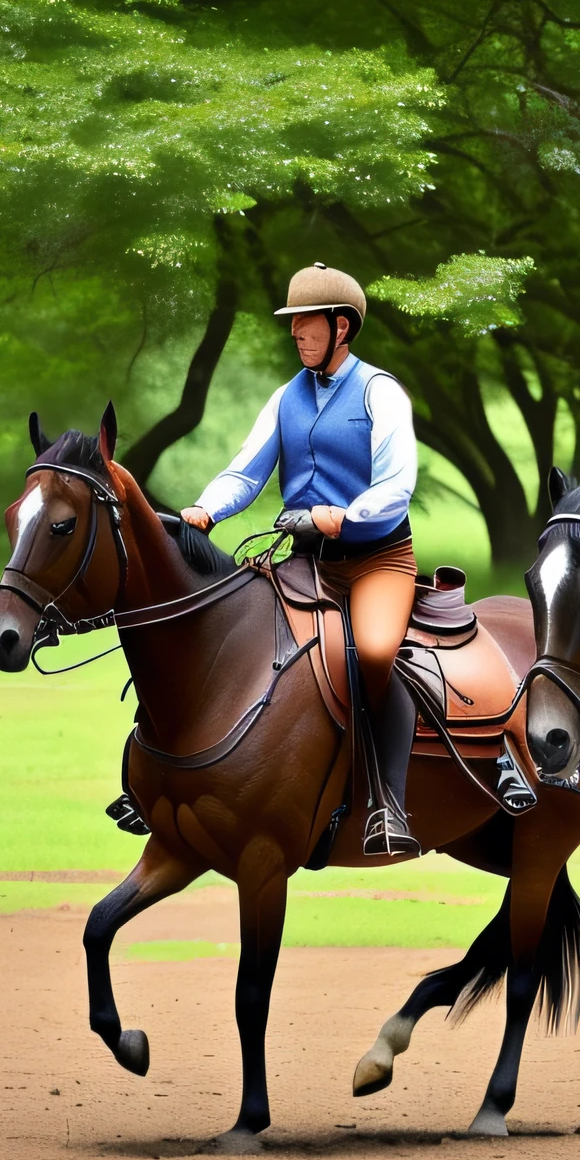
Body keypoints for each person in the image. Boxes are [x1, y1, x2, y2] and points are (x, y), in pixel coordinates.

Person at [181, 263, 422, 857]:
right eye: (292, 323)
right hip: (306, 564)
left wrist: (338, 516)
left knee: (372, 652)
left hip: (376, 562)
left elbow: (396, 485)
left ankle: (389, 802)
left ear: (342, 326)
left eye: (306, 322)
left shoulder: (379, 391)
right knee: (232, 635)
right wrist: (205, 511)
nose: (295, 333)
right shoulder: (285, 397)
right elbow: (246, 471)